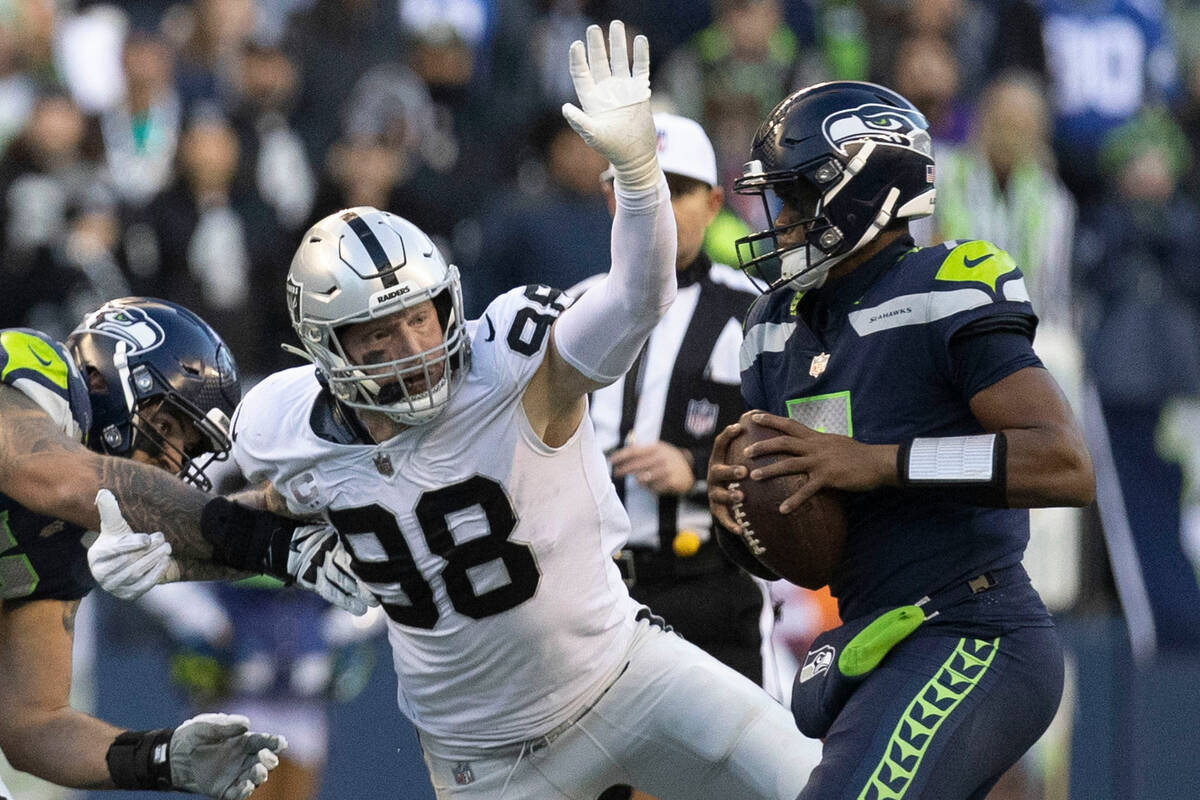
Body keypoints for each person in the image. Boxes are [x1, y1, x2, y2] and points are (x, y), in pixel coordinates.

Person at [229, 21, 815, 800]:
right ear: (326, 348)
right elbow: (249, 508)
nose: (412, 344)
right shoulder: (284, 426)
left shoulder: (508, 357)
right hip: (485, 754)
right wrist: (177, 542)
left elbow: (641, 294)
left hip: (627, 667)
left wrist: (638, 172)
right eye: (377, 334)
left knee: (822, 781)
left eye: (421, 315)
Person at [706, 81, 1096, 799]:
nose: (781, 220)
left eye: (795, 197)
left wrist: (880, 464)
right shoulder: (772, 329)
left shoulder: (946, 284)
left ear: (864, 191)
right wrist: (736, 517)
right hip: (870, 640)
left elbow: (1065, 464)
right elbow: (807, 544)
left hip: (976, 629)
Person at [0, 297, 287, 799]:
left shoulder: (65, 533)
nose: (172, 464)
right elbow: (49, 473)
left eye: (190, 451)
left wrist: (161, 758)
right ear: (100, 376)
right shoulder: (32, 370)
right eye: (168, 427)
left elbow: (33, 724)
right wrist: (254, 535)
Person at [580, 112, 776, 690]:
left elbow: (800, 444)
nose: (656, 207)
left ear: (714, 202)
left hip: (708, 585)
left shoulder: (758, 314)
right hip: (591, 597)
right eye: (638, 187)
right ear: (610, 196)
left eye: (676, 190)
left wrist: (694, 467)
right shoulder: (568, 310)